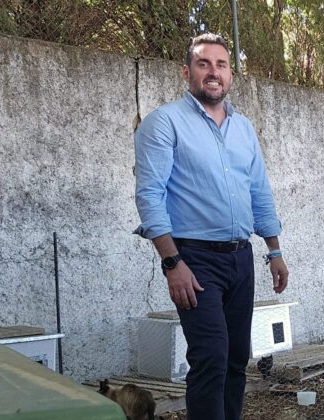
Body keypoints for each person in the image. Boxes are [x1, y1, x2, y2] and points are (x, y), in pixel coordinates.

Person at [134, 33, 289, 420]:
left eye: (221, 65)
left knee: (236, 358)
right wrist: (172, 263)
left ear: (230, 74)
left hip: (241, 258)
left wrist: (274, 251)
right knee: (211, 356)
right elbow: (150, 196)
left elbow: (259, 191)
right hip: (193, 259)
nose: (213, 72)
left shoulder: (244, 129)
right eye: (203, 64)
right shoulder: (164, 122)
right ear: (187, 72)